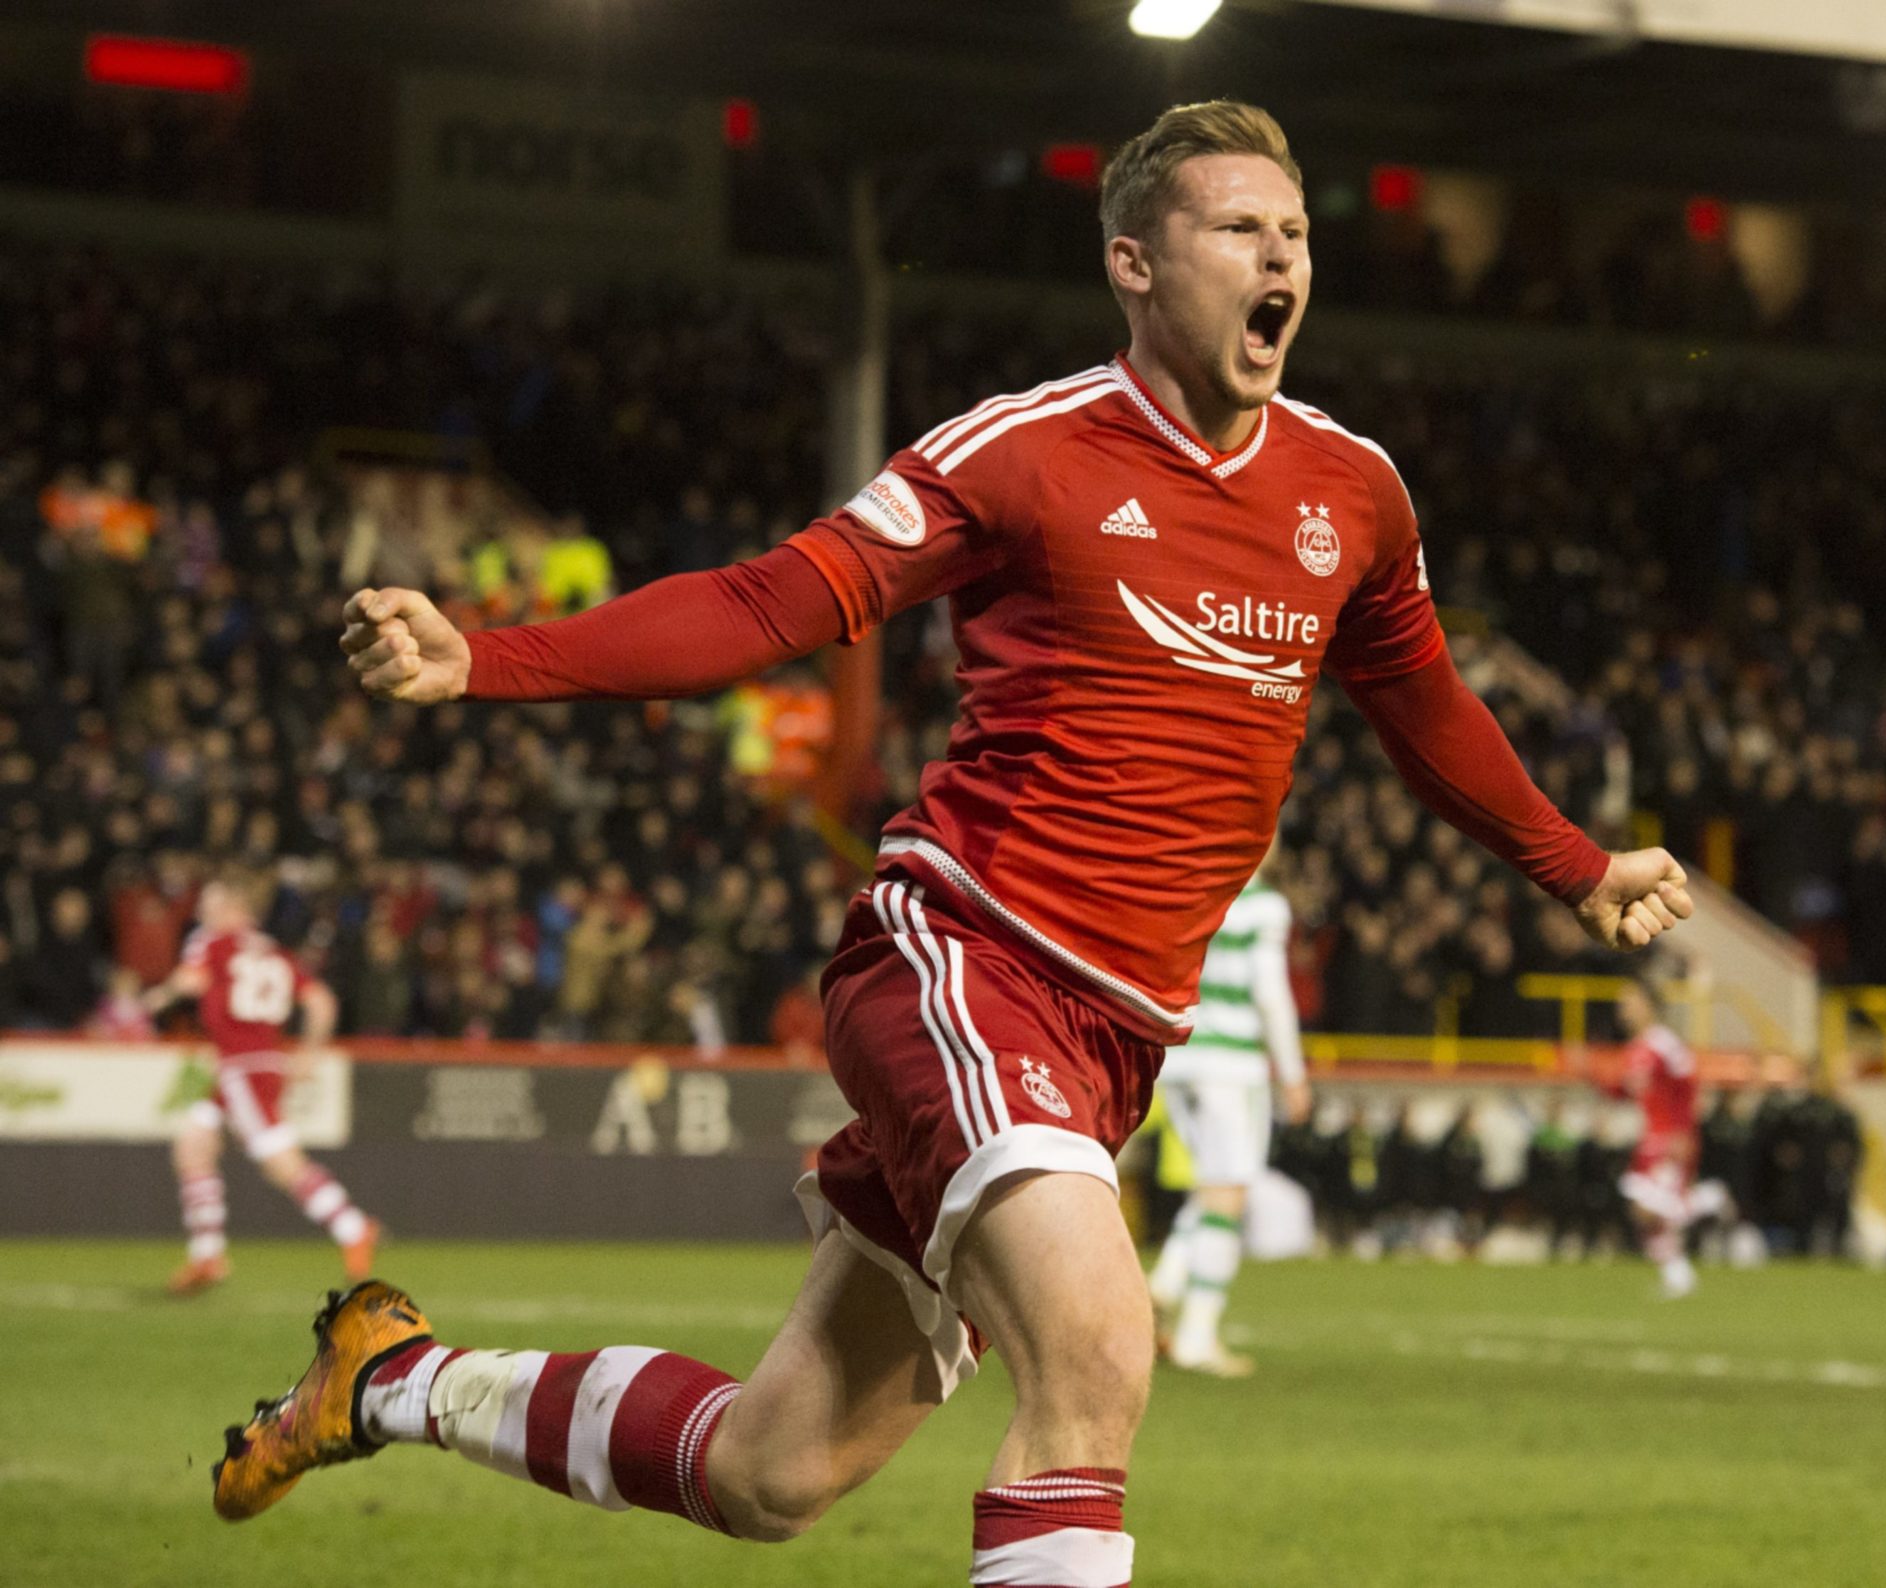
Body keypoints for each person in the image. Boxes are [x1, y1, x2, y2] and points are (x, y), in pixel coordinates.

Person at [221, 101, 1693, 1588]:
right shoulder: (1026, 454)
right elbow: (766, 603)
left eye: (1297, 232)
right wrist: (490, 659)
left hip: (1115, 1036)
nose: (1282, 258)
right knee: (1103, 1347)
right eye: (1242, 228)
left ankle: (391, 1380)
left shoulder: (1351, 491)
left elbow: (1423, 698)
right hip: (967, 960)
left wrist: (1575, 865)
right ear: (1134, 261)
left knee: (769, 1468)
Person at [143, 875, 380, 1296]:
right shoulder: (275, 951)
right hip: (263, 1062)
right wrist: (309, 1051)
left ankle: (352, 1227)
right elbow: (322, 1002)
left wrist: (155, 999)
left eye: (211, 903)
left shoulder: (211, 942)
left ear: (235, 907)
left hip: (240, 1067)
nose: (202, 912)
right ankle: (207, 1254)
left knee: (279, 1161)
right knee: (193, 1146)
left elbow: (190, 981)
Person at [1145, 845, 1313, 1376]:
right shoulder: (1262, 904)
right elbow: (1270, 993)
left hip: (1180, 1059)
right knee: (1230, 1190)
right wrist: (1292, 1072)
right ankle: (1197, 1334)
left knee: (1215, 1184)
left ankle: (1167, 1281)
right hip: (1232, 1064)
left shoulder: (1189, 893)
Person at [1593, 975, 1704, 1298]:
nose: (1622, 1008)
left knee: (1650, 1209)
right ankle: (1677, 1274)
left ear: (1648, 1005)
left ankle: (1708, 1202)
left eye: (1629, 1001)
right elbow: (1627, 1092)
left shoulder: (1665, 1044)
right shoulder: (1636, 1048)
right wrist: (1593, 1075)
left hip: (1669, 1138)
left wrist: (1684, 1132)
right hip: (1649, 1137)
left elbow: (1688, 1088)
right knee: (1644, 1211)